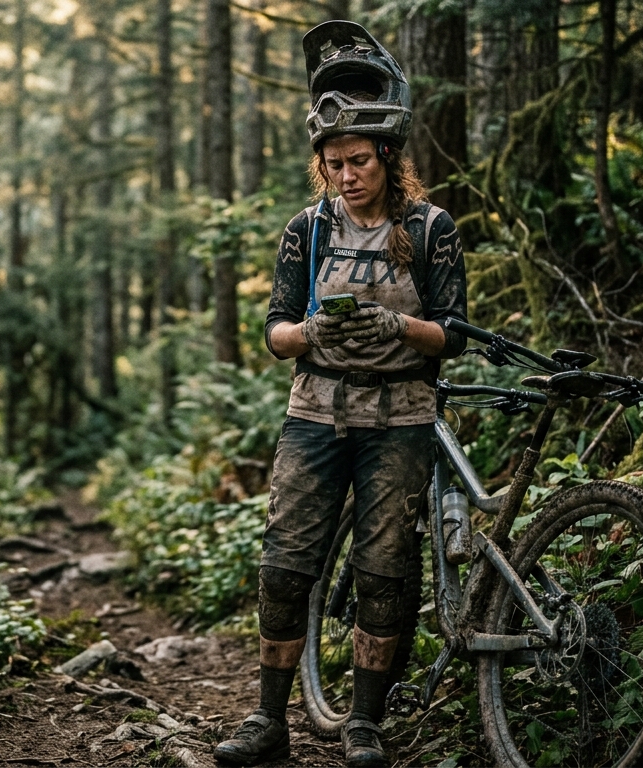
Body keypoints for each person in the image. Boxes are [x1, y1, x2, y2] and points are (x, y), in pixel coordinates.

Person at [212, 20, 468, 768]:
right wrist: (313, 334)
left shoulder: (430, 229)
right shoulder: (308, 230)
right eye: (333, 164)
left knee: (386, 568)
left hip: (402, 418)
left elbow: (453, 333)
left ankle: (363, 724)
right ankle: (268, 721)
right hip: (315, 413)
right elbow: (273, 332)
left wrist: (400, 324)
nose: (347, 175)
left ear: (388, 156)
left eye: (359, 160)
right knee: (286, 564)